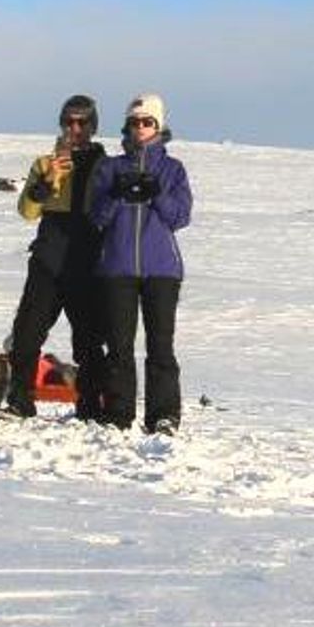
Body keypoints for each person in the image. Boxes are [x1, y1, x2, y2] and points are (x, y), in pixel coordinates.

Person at [87, 93, 193, 434]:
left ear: (158, 126)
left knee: (160, 344)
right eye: (134, 122)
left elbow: (180, 217)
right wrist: (118, 195)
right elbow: (96, 217)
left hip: (161, 270)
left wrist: (156, 192)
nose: (140, 128)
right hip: (117, 268)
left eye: (147, 122)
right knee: (119, 344)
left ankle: (163, 415)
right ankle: (118, 413)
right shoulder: (110, 167)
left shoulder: (172, 169)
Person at [5, 94, 109, 419]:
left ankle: (90, 406)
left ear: (92, 126)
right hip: (48, 261)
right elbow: (27, 211)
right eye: (68, 122)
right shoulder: (43, 164)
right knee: (26, 335)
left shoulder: (105, 165)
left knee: (89, 342)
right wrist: (49, 180)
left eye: (81, 122)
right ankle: (20, 400)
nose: (74, 129)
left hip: (86, 263)